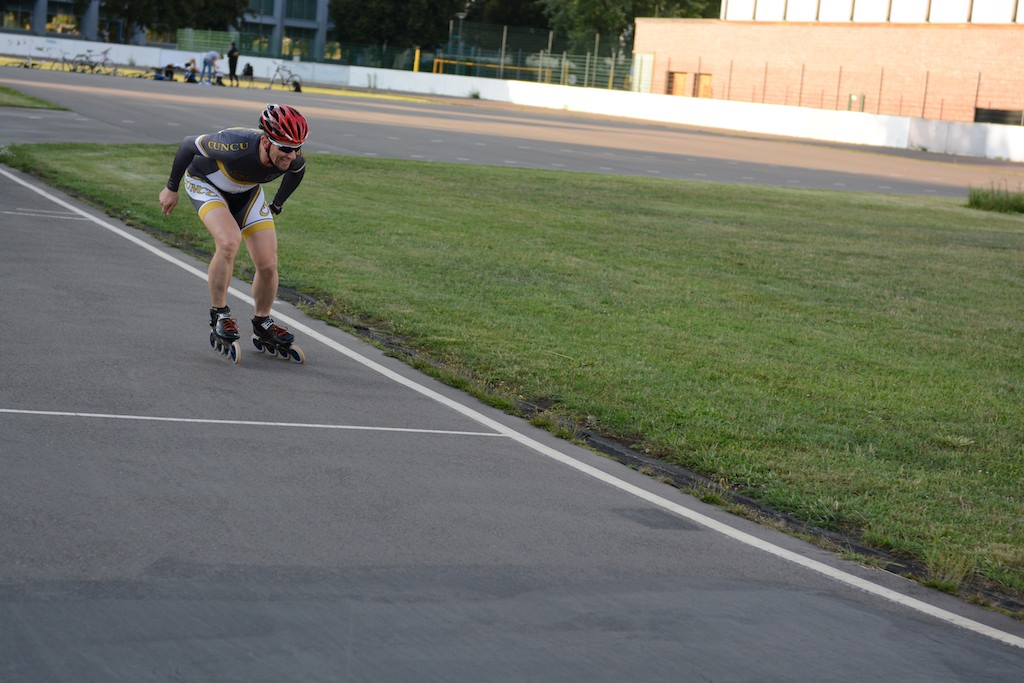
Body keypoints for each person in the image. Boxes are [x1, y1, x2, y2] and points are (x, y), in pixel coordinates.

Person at [158, 104, 309, 352]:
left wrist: (277, 204)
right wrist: (171, 188)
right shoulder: (234, 144)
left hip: (246, 192)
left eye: (297, 148)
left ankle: (262, 322)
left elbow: (297, 172)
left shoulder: (292, 158)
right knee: (228, 243)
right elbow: (187, 145)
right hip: (206, 184)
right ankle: (220, 313)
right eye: (285, 148)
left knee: (268, 263)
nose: (292, 155)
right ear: (265, 142)